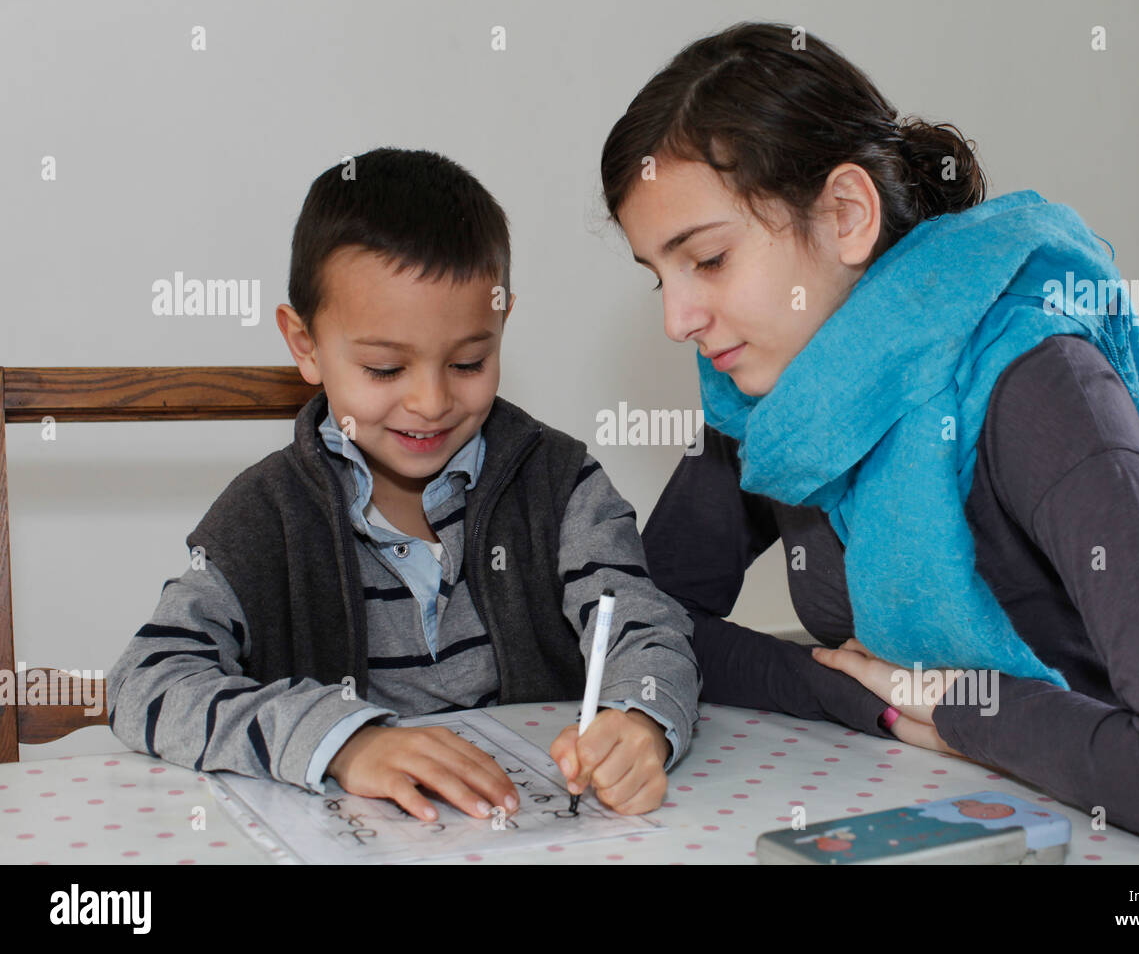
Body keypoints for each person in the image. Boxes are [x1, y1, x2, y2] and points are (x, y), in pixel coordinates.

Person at [599, 21, 1139, 862]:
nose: (679, 320)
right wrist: (872, 700)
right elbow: (643, 624)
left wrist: (961, 706)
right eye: (659, 277)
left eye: (706, 260)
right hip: (918, 807)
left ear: (847, 215)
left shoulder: (1040, 388)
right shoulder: (769, 395)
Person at [106, 148, 699, 820]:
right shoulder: (267, 516)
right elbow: (144, 683)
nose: (430, 401)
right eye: (386, 369)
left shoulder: (560, 485)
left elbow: (647, 629)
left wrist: (638, 721)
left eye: (470, 361)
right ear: (304, 345)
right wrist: (343, 743)